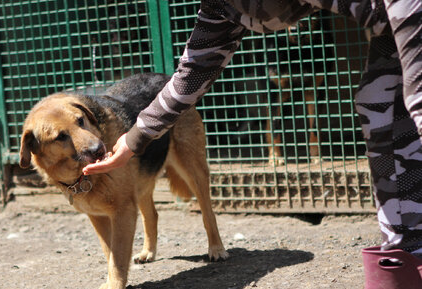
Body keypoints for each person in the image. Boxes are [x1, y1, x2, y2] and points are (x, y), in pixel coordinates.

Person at [83, 0, 422, 285]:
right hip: (385, 28)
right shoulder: (220, 6)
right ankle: (407, 252)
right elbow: (191, 73)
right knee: (378, 101)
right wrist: (133, 140)